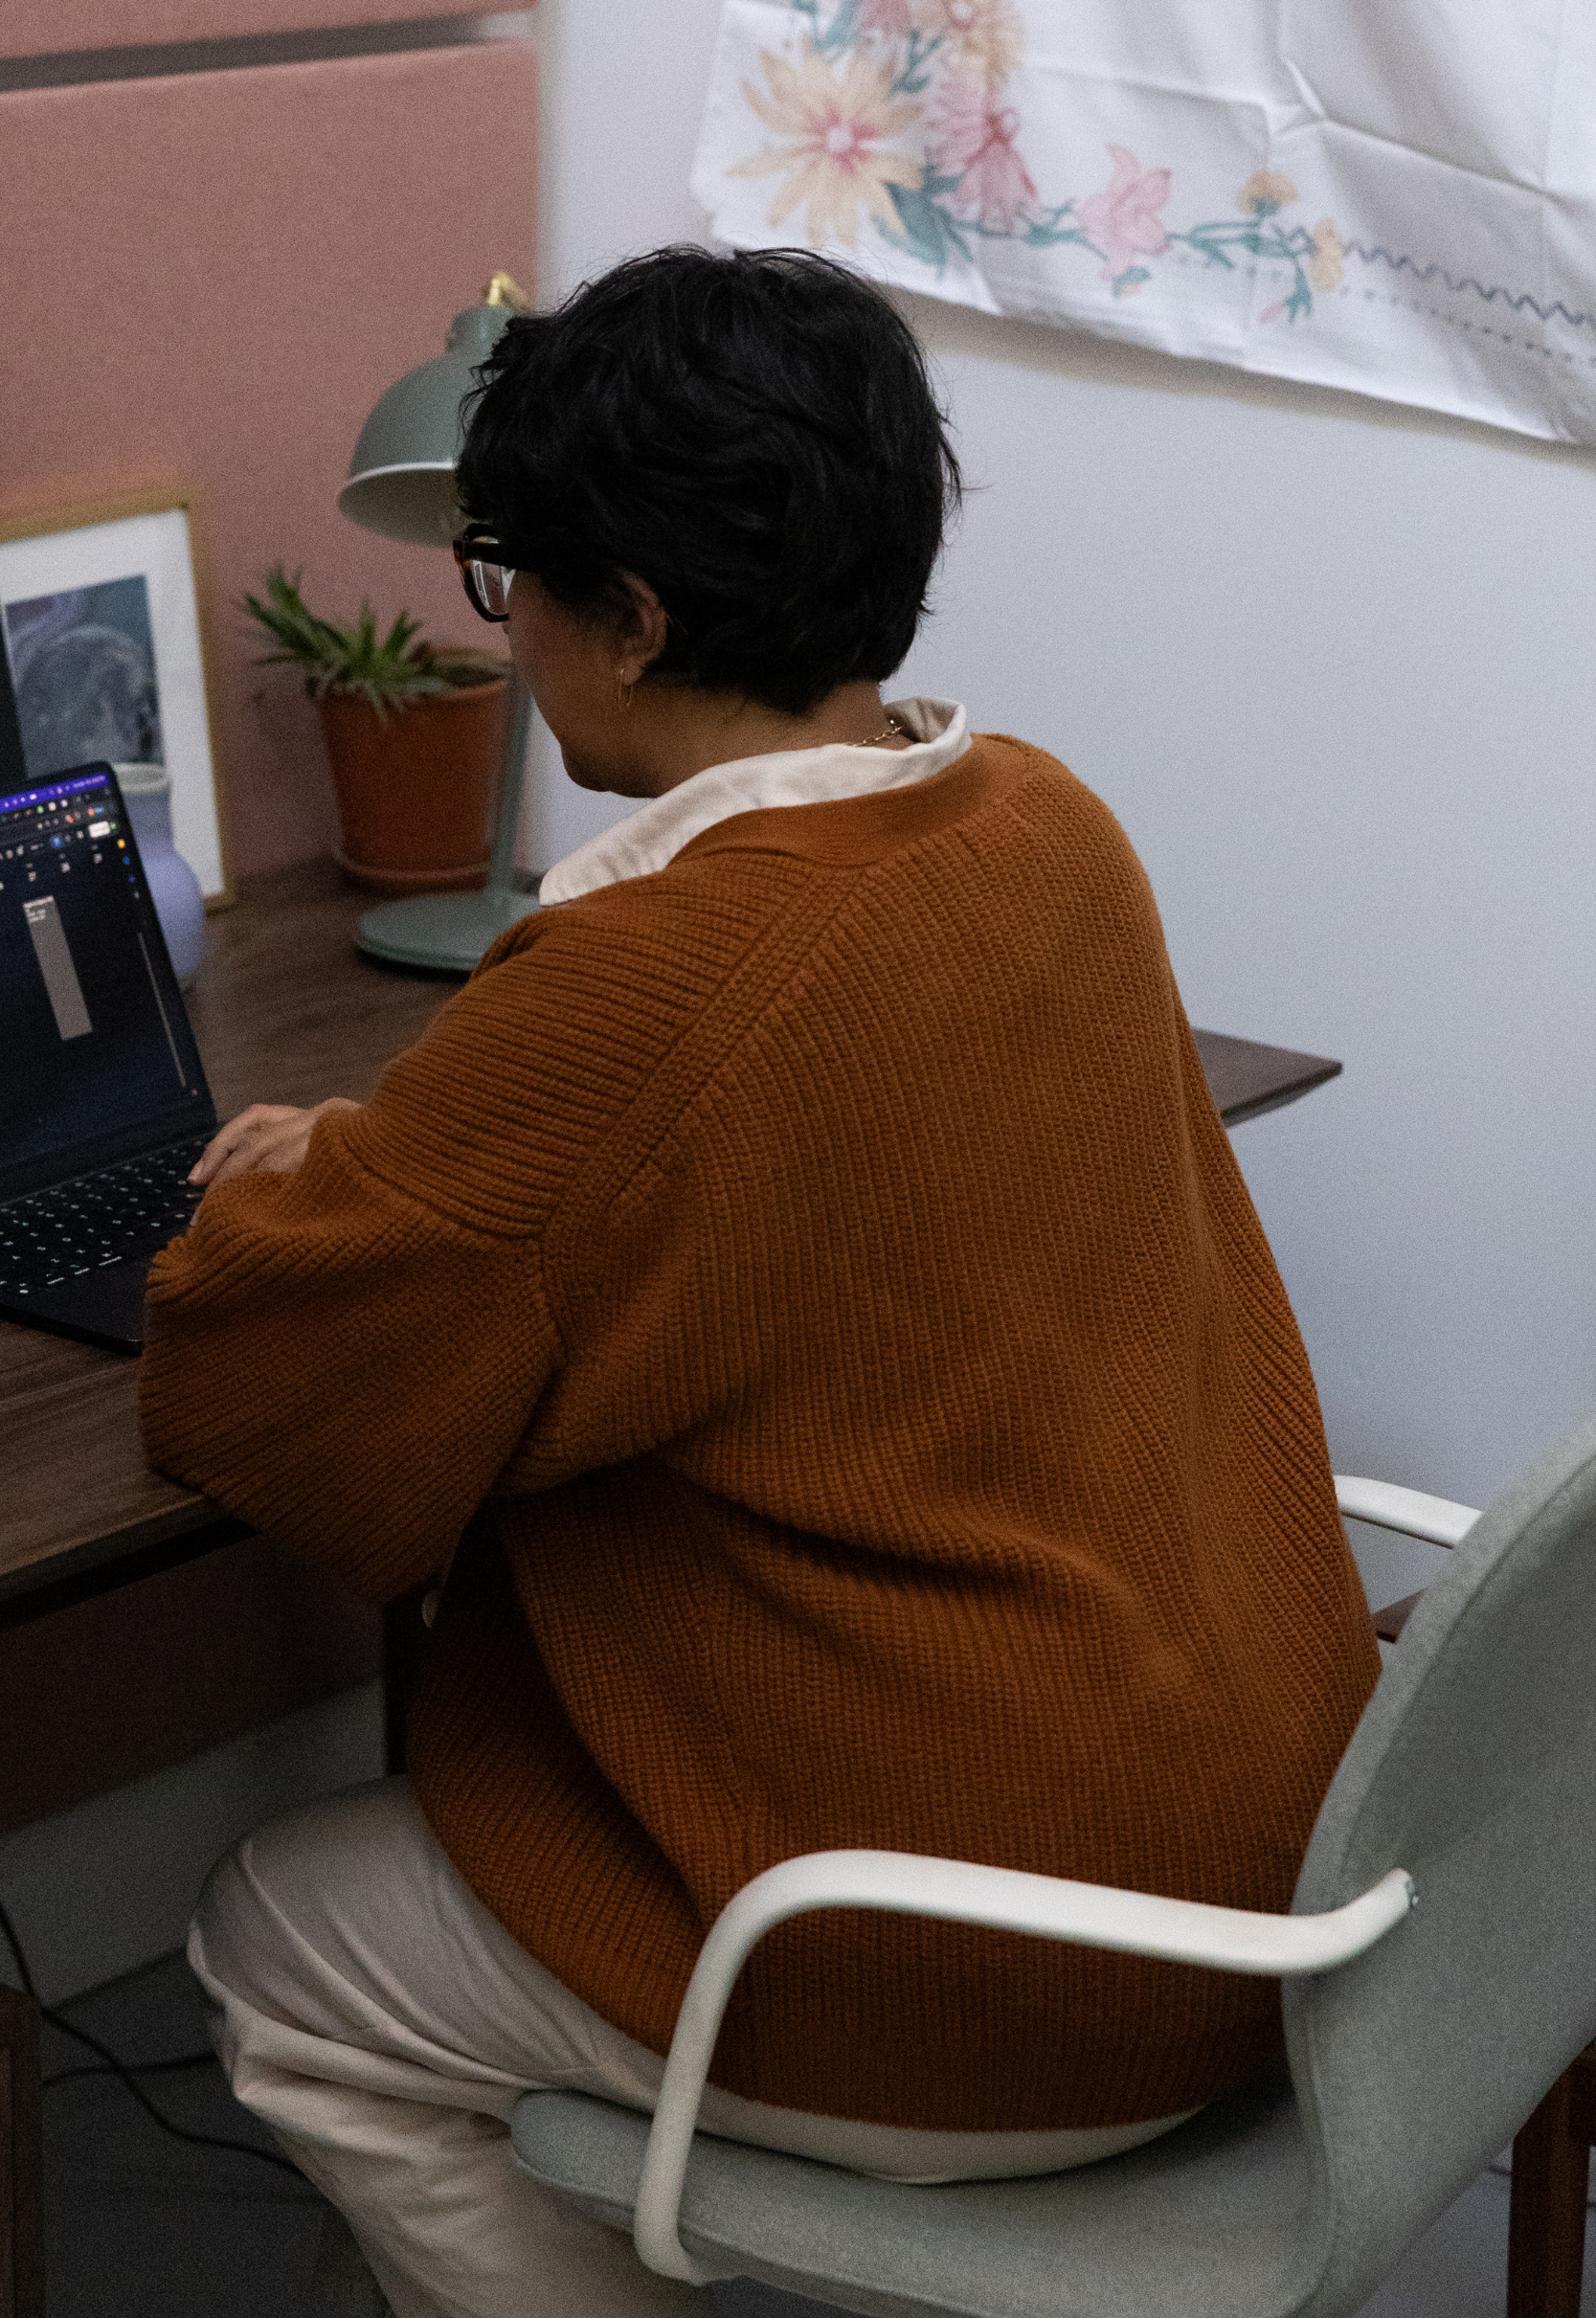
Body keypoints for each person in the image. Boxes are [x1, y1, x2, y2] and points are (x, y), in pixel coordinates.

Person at [140, 245, 1380, 2318]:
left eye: (509, 576)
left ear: (626, 620)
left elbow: (265, 1405)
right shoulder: (1040, 824)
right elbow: (697, 1195)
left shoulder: (654, 983)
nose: (508, 628)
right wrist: (397, 1167)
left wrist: (291, 1195)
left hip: (968, 1975)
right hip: (1257, 1867)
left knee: (280, 1947)